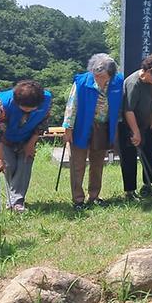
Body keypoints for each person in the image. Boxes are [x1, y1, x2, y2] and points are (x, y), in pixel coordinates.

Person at [63, 54, 124, 211]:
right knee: (78, 164)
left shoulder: (118, 82)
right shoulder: (82, 82)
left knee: (97, 163)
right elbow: (72, 105)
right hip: (81, 127)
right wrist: (68, 129)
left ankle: (94, 196)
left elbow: (121, 106)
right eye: (95, 75)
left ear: (111, 74)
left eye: (102, 76)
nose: (98, 79)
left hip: (103, 127)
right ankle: (78, 199)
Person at [0, 80, 52, 213]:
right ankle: (11, 201)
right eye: (24, 109)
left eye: (31, 109)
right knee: (9, 165)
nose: (27, 112)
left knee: (25, 164)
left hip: (27, 136)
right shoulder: (4, 105)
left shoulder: (46, 100)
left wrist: (31, 144)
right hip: (5, 138)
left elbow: (42, 123)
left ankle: (17, 203)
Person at [119, 54, 152, 200]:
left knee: (150, 151)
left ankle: (148, 185)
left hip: (146, 123)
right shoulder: (133, 82)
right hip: (129, 124)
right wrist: (135, 132)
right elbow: (128, 110)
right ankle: (129, 192)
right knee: (129, 157)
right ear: (147, 70)